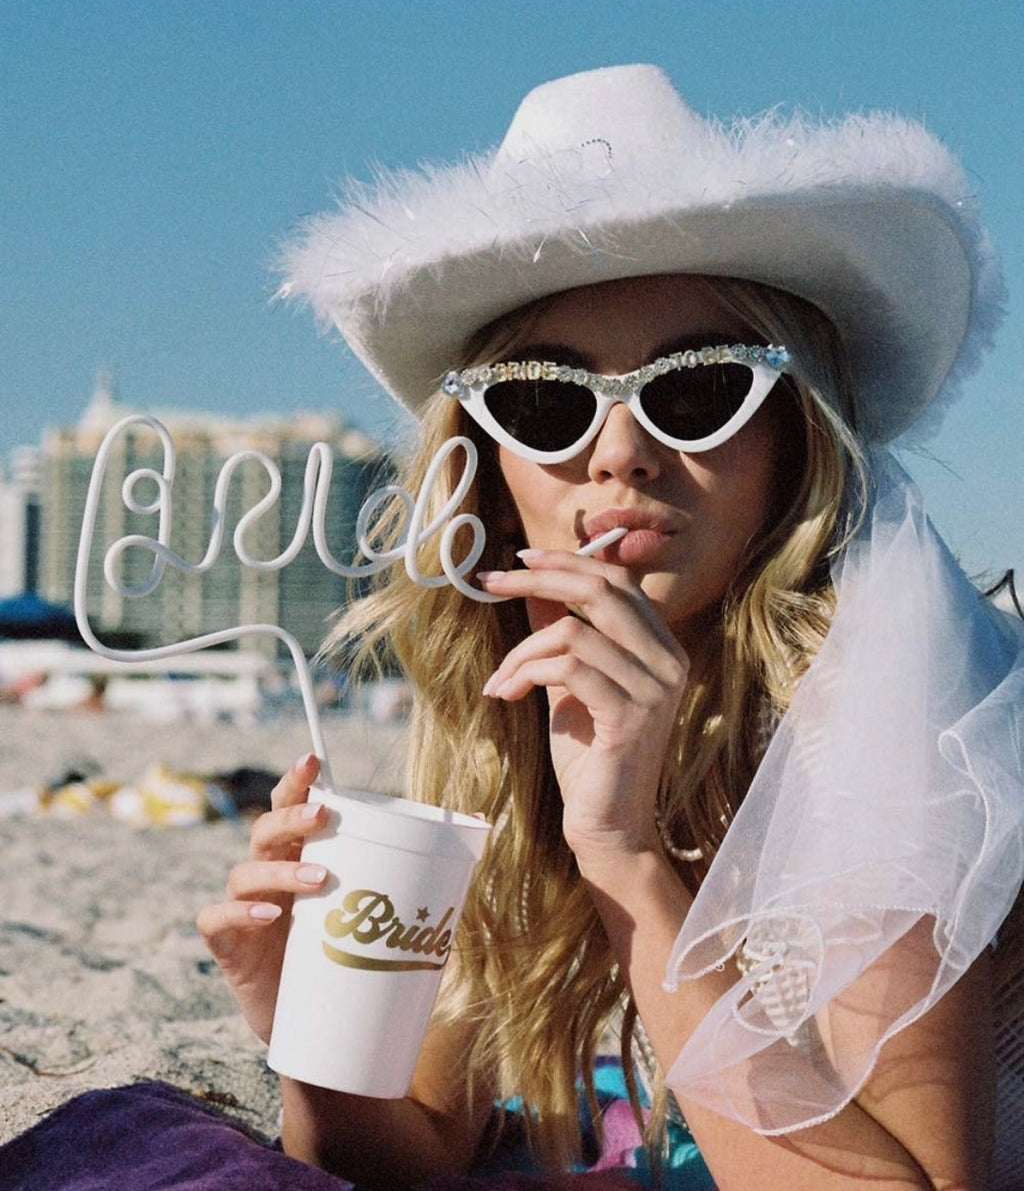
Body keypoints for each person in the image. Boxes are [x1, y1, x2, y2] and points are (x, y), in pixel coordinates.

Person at [197, 65, 1024, 1189]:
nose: (621, 452)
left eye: (698, 390)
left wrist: (624, 860)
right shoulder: (515, 708)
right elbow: (416, 1157)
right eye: (545, 400)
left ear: (793, 437)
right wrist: (311, 1031)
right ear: (486, 469)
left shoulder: (876, 706)